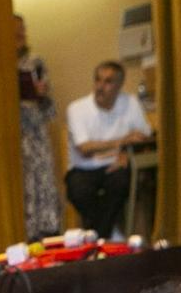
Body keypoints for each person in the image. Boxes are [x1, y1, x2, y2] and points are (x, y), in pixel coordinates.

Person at [62, 60, 151, 240]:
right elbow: (85, 148)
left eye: (108, 82)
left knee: (121, 183)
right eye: (98, 80)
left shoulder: (131, 103)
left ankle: (97, 236)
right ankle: (109, 234)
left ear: (119, 86)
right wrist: (123, 141)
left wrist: (126, 152)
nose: (100, 87)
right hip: (84, 169)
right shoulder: (77, 109)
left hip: (116, 166)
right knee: (77, 191)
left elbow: (144, 137)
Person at [14, 14, 61, 241]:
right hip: (13, 134)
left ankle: (47, 232)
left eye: (22, 30)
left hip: (34, 131)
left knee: (40, 179)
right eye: (15, 31)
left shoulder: (35, 62)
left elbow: (49, 107)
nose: (20, 35)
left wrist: (40, 94)